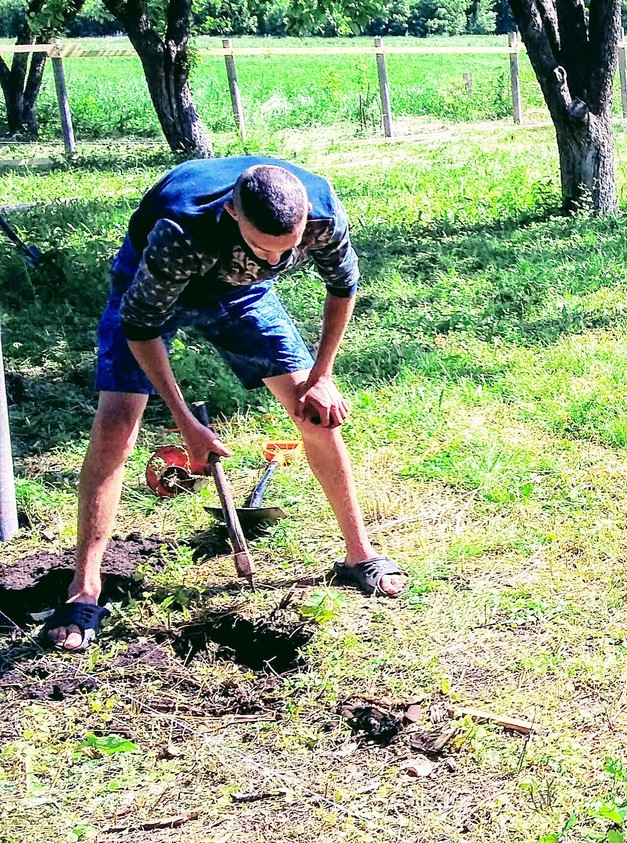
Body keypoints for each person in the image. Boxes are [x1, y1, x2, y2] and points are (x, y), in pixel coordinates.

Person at [44, 157, 407, 651]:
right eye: (263, 248)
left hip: (243, 295)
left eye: (288, 250)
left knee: (315, 414)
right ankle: (84, 588)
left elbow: (343, 286)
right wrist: (186, 421)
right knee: (114, 428)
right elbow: (141, 327)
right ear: (235, 213)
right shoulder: (182, 232)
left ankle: (358, 556)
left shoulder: (320, 213)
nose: (278, 262)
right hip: (152, 291)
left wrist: (322, 376)